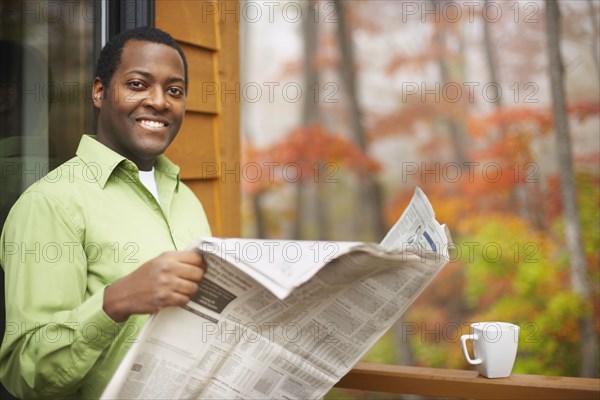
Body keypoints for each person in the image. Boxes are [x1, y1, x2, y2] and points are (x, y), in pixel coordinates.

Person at [0, 27, 211, 399]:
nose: (159, 102)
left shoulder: (187, 199)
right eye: (137, 84)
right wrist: (116, 301)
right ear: (100, 92)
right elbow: (26, 374)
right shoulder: (51, 204)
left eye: (174, 90)